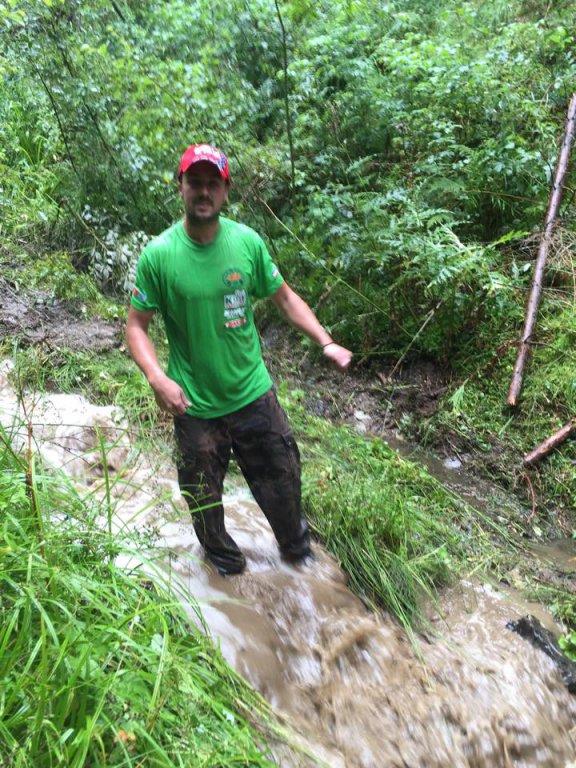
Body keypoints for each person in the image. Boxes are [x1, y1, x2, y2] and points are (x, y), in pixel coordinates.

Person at [126, 143, 352, 575]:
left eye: (213, 184)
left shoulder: (246, 243)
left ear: (226, 190)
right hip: (195, 408)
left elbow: (284, 298)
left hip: (253, 396)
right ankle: (229, 583)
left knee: (285, 492)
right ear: (181, 187)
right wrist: (156, 377)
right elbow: (136, 325)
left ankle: (301, 569)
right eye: (195, 182)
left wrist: (325, 341)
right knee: (205, 511)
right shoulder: (159, 254)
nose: (204, 192)